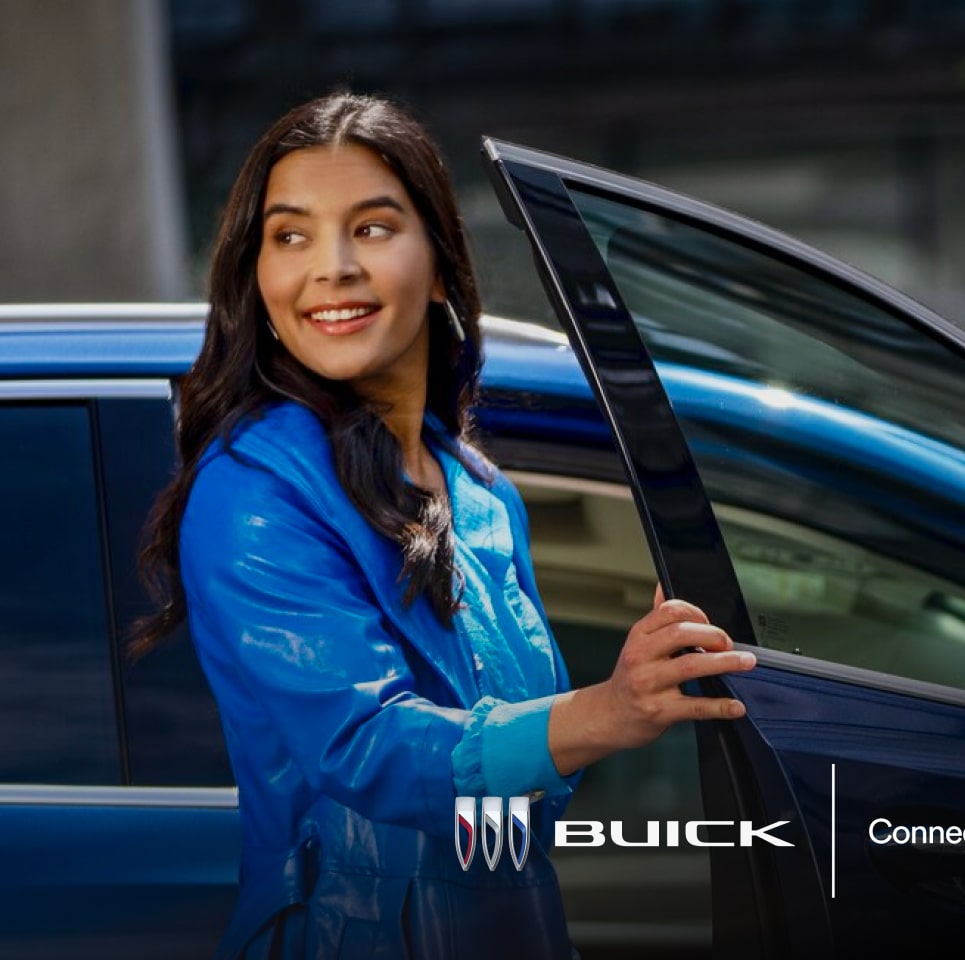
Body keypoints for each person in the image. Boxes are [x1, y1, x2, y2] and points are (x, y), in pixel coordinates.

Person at [131, 92, 756, 959]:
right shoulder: (254, 488)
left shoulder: (480, 491)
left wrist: (642, 674)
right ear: (258, 278)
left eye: (372, 228)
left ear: (438, 262)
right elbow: (367, 748)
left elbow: (530, 796)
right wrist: (607, 711)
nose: (331, 267)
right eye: (291, 236)